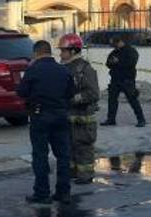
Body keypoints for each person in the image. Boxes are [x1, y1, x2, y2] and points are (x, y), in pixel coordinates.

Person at [17, 40, 75, 205]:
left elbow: (21, 92)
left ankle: (42, 193)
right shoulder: (63, 70)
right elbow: (71, 93)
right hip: (61, 116)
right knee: (63, 156)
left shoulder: (33, 70)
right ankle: (63, 193)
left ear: (36, 53)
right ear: (50, 52)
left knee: (40, 155)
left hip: (40, 116)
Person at [58, 33, 99, 185]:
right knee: (68, 147)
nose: (61, 54)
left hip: (83, 118)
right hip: (67, 116)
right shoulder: (63, 68)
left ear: (73, 51)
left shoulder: (85, 69)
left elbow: (93, 93)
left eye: (63, 51)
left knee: (83, 147)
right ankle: (72, 172)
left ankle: (86, 175)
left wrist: (74, 98)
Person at [102, 36, 146, 128]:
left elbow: (131, 63)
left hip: (127, 79)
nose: (114, 46)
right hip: (115, 79)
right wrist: (112, 62)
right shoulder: (114, 52)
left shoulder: (131, 51)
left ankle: (141, 119)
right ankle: (111, 119)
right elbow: (108, 63)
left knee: (133, 100)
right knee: (112, 100)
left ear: (120, 42)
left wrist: (118, 62)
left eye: (115, 44)